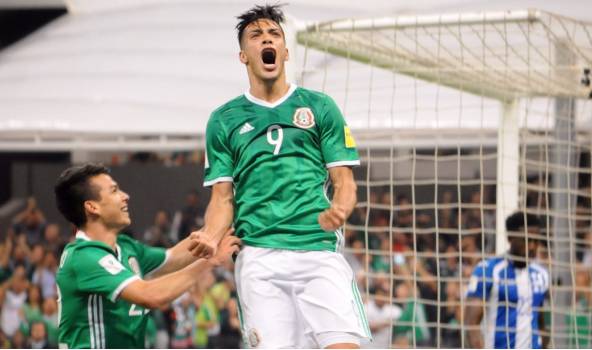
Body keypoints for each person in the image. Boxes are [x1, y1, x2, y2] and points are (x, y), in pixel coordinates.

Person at [187, 4, 371, 348]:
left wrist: (342, 209)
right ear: (244, 55)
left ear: (285, 51)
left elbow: (345, 183)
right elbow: (222, 197)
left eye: (274, 34)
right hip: (259, 256)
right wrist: (212, 235)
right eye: (256, 36)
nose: (266, 40)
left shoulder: (320, 106)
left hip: (317, 248)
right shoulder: (223, 120)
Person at [53, 163, 240, 348]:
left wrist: (216, 228)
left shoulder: (126, 247)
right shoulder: (84, 257)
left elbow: (174, 257)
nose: (125, 196)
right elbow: (151, 295)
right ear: (92, 207)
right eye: (114, 191)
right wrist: (209, 262)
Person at [465, 211, 549, 349]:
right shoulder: (488, 271)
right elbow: (471, 325)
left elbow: (540, 323)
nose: (532, 246)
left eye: (536, 241)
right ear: (510, 238)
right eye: (526, 240)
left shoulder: (541, 275)